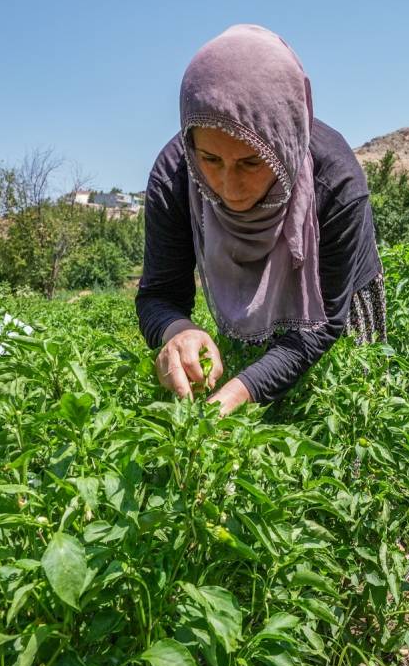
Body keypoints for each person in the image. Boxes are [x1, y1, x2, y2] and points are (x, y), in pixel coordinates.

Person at [135, 24, 386, 414]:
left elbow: (322, 328)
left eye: (252, 162)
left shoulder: (336, 183)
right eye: (211, 160)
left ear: (283, 145)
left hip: (331, 311)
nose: (228, 187)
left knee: (344, 408)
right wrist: (178, 331)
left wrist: (239, 392)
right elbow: (159, 294)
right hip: (252, 314)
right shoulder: (174, 178)